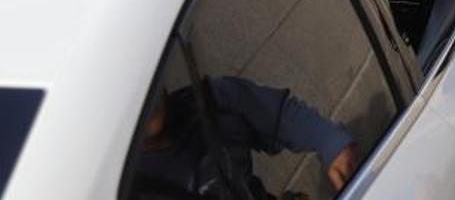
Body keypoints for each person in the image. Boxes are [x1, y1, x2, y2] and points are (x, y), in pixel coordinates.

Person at [133, 76, 358, 199]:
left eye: (139, 74)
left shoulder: (210, 101)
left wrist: (331, 143)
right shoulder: (122, 186)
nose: (141, 97)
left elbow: (280, 116)